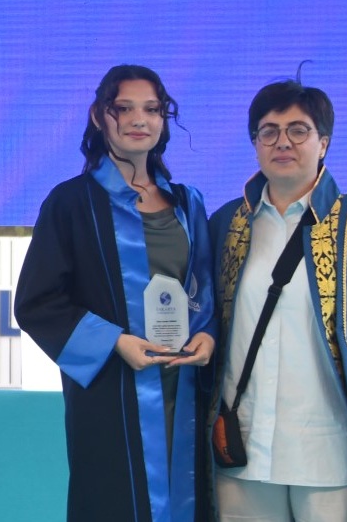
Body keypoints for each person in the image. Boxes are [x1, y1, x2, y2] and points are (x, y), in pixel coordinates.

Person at [207, 73, 347, 522]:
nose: (282, 142)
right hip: (242, 449)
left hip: (327, 451)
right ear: (255, 144)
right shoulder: (227, 224)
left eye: (298, 130)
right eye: (268, 131)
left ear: (323, 143)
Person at [15, 64, 216, 522]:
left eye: (152, 109)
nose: (139, 120)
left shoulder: (189, 203)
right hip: (113, 395)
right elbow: (37, 302)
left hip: (184, 390)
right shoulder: (71, 203)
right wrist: (115, 342)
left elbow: (204, 292)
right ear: (98, 116)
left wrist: (208, 335)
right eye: (123, 108)